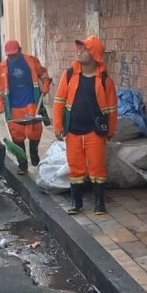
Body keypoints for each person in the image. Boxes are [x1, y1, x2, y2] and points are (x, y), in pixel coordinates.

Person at [53, 36, 117, 215]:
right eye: (79, 48)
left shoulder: (105, 80)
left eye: (85, 49)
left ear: (95, 54)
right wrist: (58, 126)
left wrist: (110, 131)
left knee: (97, 166)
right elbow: (59, 101)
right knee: (75, 166)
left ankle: (99, 203)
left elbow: (112, 109)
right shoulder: (69, 75)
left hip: (95, 132)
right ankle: (76, 203)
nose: (79, 51)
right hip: (73, 130)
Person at [0, 39, 51, 174]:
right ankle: (22, 165)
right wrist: (0, 104)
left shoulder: (31, 61)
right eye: (10, 55)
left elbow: (43, 73)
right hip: (13, 107)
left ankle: (34, 153)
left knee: (34, 131)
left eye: (14, 54)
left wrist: (45, 83)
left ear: (20, 50)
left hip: (31, 103)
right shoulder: (2, 67)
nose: (12, 57)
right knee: (17, 135)